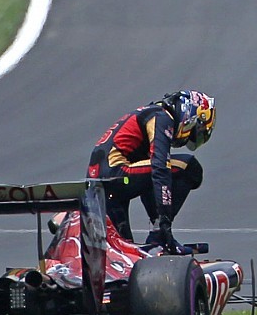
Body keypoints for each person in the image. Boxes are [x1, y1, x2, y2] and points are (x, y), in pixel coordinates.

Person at [87, 90, 216, 253]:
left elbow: (148, 180)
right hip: (116, 174)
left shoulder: (149, 114)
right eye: (194, 131)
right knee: (190, 167)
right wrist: (164, 223)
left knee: (123, 253)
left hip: (102, 181)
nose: (189, 139)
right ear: (190, 116)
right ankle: (158, 235)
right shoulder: (162, 117)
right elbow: (160, 169)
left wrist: (159, 225)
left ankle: (155, 238)